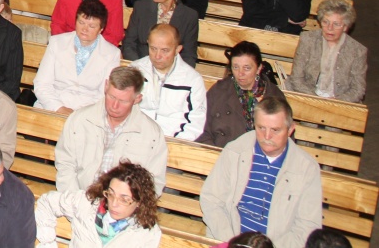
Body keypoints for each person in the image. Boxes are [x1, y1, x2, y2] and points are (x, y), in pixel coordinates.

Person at [200, 97, 323, 248]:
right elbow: (211, 200)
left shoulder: (306, 168)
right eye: (261, 128)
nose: (267, 136)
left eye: (275, 130)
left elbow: (307, 227)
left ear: (290, 129)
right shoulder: (235, 151)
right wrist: (234, 243)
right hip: (228, 240)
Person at [54, 66, 168, 196]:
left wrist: (125, 205)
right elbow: (65, 164)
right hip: (79, 197)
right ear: (106, 86)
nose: (114, 106)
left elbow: (153, 183)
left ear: (137, 99)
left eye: (123, 101)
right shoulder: (79, 119)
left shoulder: (152, 134)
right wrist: (74, 199)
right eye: (111, 97)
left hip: (124, 204)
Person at [36, 162, 161, 248]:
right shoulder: (85, 204)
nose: (114, 204)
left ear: (139, 202)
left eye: (124, 199)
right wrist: (47, 243)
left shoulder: (147, 233)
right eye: (110, 194)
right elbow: (47, 202)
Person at [34, 1, 121, 113]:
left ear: (101, 29)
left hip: (88, 113)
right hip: (51, 106)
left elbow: (105, 95)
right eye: (81, 22)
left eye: (91, 26)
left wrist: (79, 115)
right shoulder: (57, 42)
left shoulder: (112, 54)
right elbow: (42, 84)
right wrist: (59, 108)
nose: (84, 29)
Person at [198, 41, 285, 147]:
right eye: (235, 67)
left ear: (258, 68)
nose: (240, 73)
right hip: (221, 152)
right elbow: (201, 129)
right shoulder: (219, 91)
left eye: (247, 68)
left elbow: (284, 137)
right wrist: (214, 152)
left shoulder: (274, 95)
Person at [130, 24, 207, 140]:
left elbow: (195, 123)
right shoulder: (135, 70)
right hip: (135, 138)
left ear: (177, 50)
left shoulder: (192, 80)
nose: (157, 56)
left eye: (165, 50)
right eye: (153, 48)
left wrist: (173, 144)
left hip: (173, 142)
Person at [286, 0, 366, 102]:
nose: (330, 28)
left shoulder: (357, 51)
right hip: (307, 95)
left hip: (339, 101)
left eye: (336, 24)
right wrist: (316, 99)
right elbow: (296, 78)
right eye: (325, 22)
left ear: (345, 27)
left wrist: (336, 102)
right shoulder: (308, 39)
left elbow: (358, 89)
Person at [123, 0, 198, 67]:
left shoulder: (189, 16)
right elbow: (129, 43)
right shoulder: (141, 8)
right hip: (140, 65)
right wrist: (140, 66)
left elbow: (189, 54)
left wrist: (175, 72)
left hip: (172, 69)